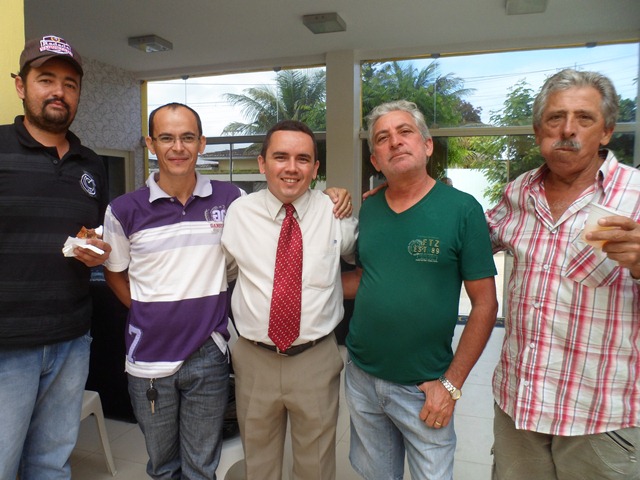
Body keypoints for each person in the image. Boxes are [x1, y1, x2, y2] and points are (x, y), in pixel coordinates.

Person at [488, 69, 640, 479]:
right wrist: (403, 192)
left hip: (599, 417)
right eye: (555, 118)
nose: (567, 130)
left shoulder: (636, 193)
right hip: (519, 405)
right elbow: (470, 238)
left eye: (584, 118)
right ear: (539, 130)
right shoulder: (518, 191)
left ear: (606, 131)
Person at [343, 100, 498, 479]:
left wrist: (451, 385)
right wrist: (298, 287)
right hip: (361, 376)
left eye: (405, 132)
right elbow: (365, 278)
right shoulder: (370, 210)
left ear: (427, 145)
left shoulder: (462, 209)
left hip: (424, 386)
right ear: (375, 161)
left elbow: (485, 305)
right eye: (383, 138)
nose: (395, 142)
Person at [102, 102, 241, 479]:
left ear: (202, 143)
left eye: (187, 137)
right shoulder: (123, 210)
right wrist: (147, 312)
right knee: (163, 467)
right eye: (166, 138)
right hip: (149, 358)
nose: (177, 147)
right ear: (151, 144)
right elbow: (115, 273)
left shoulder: (231, 199)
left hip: (208, 354)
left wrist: (329, 197)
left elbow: (274, 211)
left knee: (201, 467)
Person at [220, 120, 358, 480]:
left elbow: (362, 261)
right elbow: (227, 273)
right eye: (280, 157)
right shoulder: (240, 213)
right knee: (259, 465)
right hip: (254, 359)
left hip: (315, 359)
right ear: (262, 163)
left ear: (315, 168)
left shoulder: (335, 214)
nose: (291, 168)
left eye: (303, 159)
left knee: (316, 466)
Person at [0, 35, 111, 479]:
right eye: (46, 79)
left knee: (52, 463)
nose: (58, 92)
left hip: (71, 339)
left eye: (70, 83)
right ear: (20, 85)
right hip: (7, 344)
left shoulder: (91, 164)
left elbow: (94, 232)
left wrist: (96, 251)